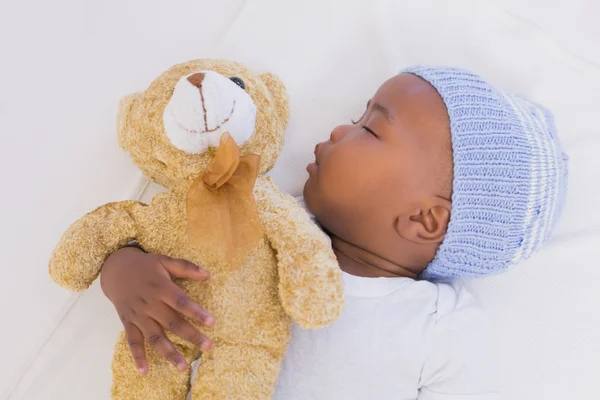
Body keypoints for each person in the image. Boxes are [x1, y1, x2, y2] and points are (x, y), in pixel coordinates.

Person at [100, 66, 569, 399]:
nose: (342, 129)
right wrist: (125, 270)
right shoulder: (263, 225)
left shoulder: (441, 327)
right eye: (357, 116)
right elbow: (163, 234)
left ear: (424, 220)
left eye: (371, 128)